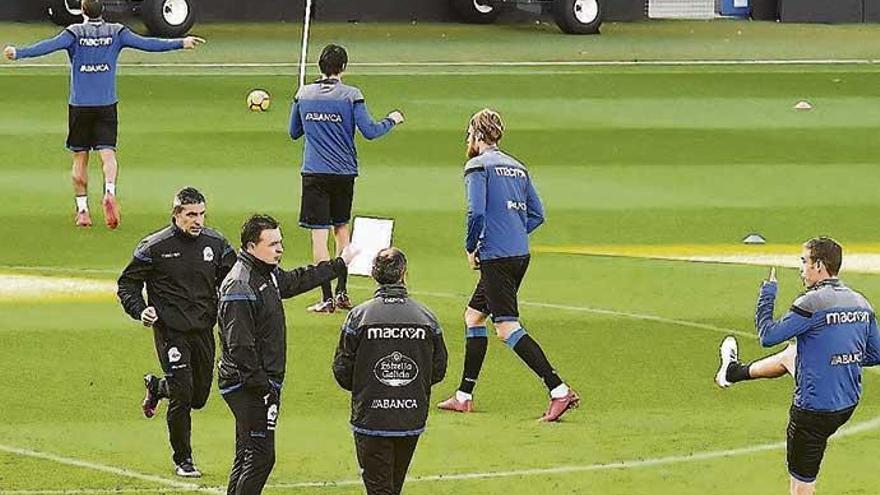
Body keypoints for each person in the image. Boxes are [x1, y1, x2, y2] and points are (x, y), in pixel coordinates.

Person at [2, 0, 204, 229]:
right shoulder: (116, 32)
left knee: (80, 159)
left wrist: (17, 52)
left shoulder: (74, 33)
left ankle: (83, 211)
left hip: (80, 105)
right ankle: (109, 191)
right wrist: (181, 42)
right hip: (106, 104)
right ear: (103, 11)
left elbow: (46, 46)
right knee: (108, 155)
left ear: (83, 11)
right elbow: (148, 44)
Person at [437, 108, 579, 422]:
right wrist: (513, 232)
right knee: (473, 317)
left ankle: (558, 389)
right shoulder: (518, 167)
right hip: (518, 254)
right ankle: (464, 395)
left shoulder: (477, 167)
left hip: (497, 257)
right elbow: (536, 214)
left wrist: (471, 245)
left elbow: (476, 213)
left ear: (475, 134)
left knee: (506, 328)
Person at [715, 237, 880, 495]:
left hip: (813, 412)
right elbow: (875, 353)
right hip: (846, 403)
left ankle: (732, 373)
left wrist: (767, 295)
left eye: (804, 262)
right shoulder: (861, 302)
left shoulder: (811, 303)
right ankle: (733, 372)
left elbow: (768, 336)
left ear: (819, 266)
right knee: (792, 354)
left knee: (801, 488)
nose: (801, 269)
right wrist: (839, 357)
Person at [218, 214, 356, 495]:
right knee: (261, 457)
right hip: (248, 385)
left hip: (253, 381)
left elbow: (294, 281)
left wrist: (339, 264)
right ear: (251, 246)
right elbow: (240, 347)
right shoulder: (241, 286)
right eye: (272, 244)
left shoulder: (264, 272)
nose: (280, 249)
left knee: (247, 452)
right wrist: (263, 387)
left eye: (280, 242)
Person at [116, 187, 236, 477]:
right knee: (183, 395)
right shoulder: (154, 247)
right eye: (191, 214)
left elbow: (233, 277)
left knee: (199, 397)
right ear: (176, 214)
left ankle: (158, 387)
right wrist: (140, 309)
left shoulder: (216, 243)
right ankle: (184, 460)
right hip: (171, 331)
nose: (198, 220)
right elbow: (127, 285)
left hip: (204, 329)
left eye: (202, 214)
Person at [289, 43, 404, 313]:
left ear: (320, 66)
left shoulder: (303, 93)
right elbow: (371, 131)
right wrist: (392, 119)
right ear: (343, 67)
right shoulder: (352, 95)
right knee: (341, 231)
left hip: (315, 173)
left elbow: (294, 132)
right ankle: (342, 293)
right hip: (343, 173)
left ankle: (326, 298)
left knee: (319, 238)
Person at [333, 247, 447, 495]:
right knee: (392, 486)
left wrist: (369, 387)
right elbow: (438, 369)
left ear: (374, 275)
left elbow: (342, 369)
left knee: (379, 489)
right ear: (404, 274)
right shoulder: (426, 317)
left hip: (372, 416)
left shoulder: (359, 316)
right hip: (411, 417)